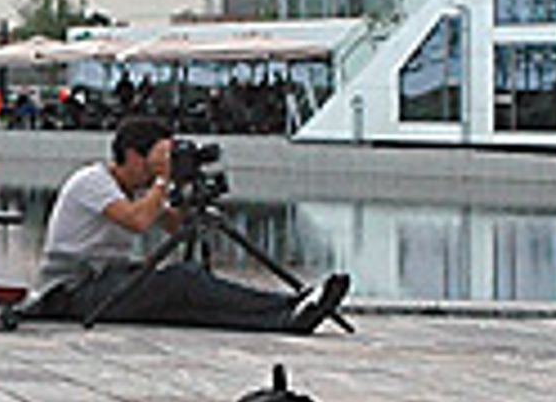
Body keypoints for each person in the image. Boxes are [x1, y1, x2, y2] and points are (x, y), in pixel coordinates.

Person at [28, 115, 349, 333]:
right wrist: (164, 180)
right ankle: (291, 304)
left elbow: (172, 227)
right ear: (133, 155)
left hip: (109, 282)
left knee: (188, 304)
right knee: (183, 281)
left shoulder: (142, 188)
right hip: (72, 290)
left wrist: (186, 192)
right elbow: (138, 221)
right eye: (161, 154)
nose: (164, 162)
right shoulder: (92, 181)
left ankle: (287, 319)